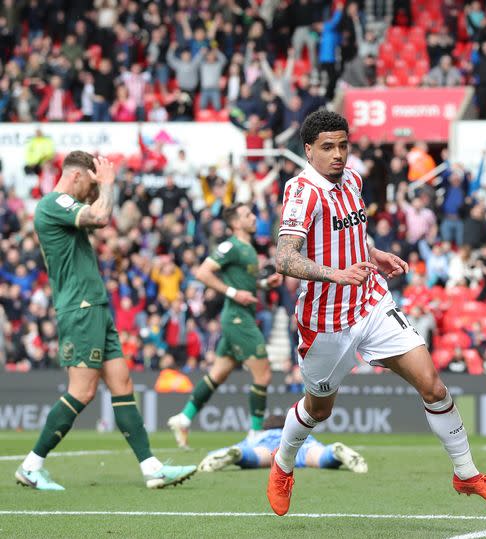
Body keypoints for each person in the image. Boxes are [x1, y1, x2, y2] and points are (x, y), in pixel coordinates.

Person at [267, 110, 486, 516]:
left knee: (432, 385)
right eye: (328, 147)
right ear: (308, 150)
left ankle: (466, 473)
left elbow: (350, 231)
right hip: (326, 322)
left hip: (370, 302)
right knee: (318, 408)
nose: (338, 155)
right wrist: (335, 273)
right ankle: (282, 464)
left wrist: (373, 253)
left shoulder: (354, 180)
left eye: (343, 146)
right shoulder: (301, 191)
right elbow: (284, 258)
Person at [16, 152, 196, 490]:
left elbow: (101, 216)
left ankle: (151, 468)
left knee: (123, 385)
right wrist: (109, 185)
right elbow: (100, 218)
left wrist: (103, 188)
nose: (92, 192)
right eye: (91, 184)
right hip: (80, 307)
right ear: (78, 176)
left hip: (94, 306)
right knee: (81, 392)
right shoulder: (53, 203)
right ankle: (31, 465)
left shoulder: (64, 208)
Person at [168, 204, 282, 448]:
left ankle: (184, 418)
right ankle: (255, 435)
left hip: (240, 315)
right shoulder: (231, 246)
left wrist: (263, 285)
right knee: (263, 374)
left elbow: (244, 285)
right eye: (248, 215)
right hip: (238, 318)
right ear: (235, 224)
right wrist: (232, 292)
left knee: (217, 374)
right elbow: (202, 272)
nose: (254, 217)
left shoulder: (248, 248)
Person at [198, 415, 367, 474]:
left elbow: (220, 450)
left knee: (257, 455)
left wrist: (217, 452)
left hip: (267, 443)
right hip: (296, 438)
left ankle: (239, 455)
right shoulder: (295, 430)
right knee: (318, 455)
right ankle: (335, 452)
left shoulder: (262, 434)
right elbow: (317, 446)